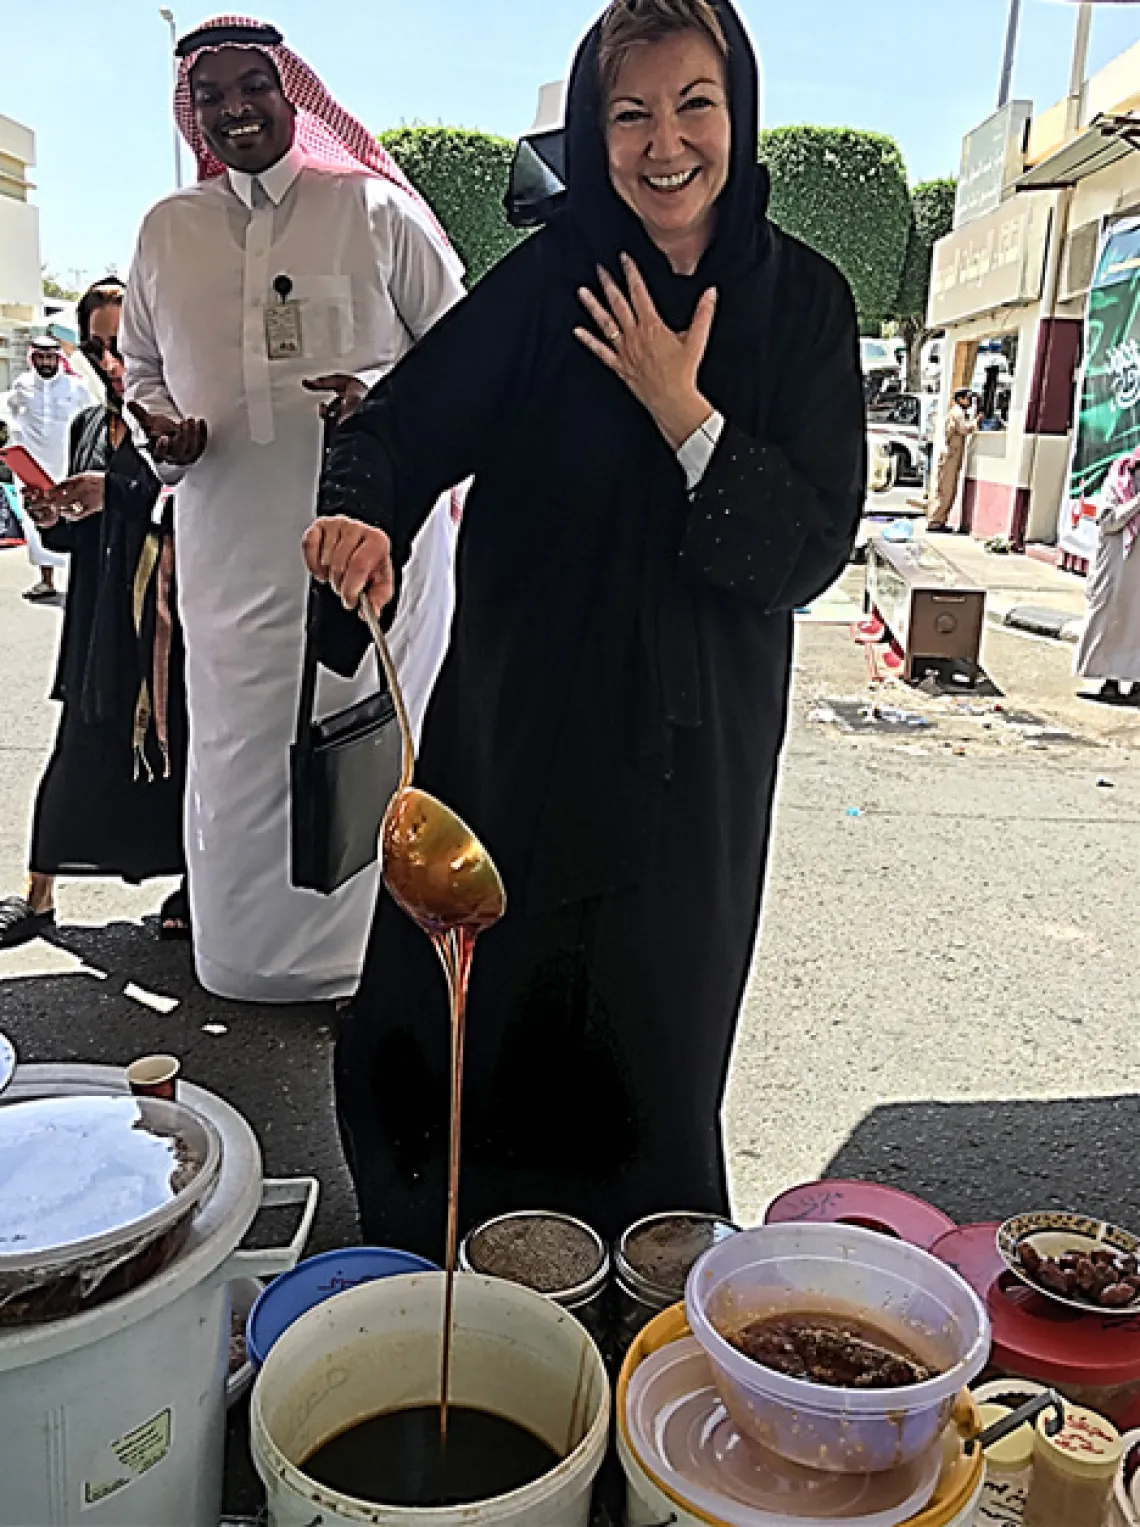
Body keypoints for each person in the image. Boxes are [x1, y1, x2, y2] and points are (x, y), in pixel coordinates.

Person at [305, 0, 865, 1258]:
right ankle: (450, 1266)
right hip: (519, 729)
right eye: (630, 113)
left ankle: (640, 1300)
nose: (664, 143)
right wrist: (363, 518)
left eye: (693, 105)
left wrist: (684, 408)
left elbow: (807, 552)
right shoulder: (554, 282)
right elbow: (401, 427)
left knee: (651, 1035)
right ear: (591, 127)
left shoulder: (802, 304)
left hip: (691, 760)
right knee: (448, 1010)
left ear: (740, 112)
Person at [120, 16, 465, 1003]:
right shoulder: (166, 231)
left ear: (294, 97)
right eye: (212, 95)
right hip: (228, 547)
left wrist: (384, 407)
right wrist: (160, 426)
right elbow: (142, 370)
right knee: (236, 748)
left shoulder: (371, 212)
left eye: (253, 88)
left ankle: (377, 966)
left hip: (371, 549)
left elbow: (460, 363)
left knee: (368, 740)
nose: (234, 110)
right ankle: (239, 959)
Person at [0, 280, 188, 950]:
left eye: (122, 345)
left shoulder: (176, 421)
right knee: (76, 751)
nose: (112, 362)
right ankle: (39, 894)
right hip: (96, 617)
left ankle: (198, 887)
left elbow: (195, 510)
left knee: (185, 756)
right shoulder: (87, 424)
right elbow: (75, 535)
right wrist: (50, 513)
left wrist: (118, 491)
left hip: (169, 624)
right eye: (99, 346)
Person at [7, 335, 91, 599]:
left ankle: (83, 580)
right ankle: (46, 580)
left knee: (78, 517)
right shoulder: (21, 385)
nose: (46, 362)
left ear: (59, 358)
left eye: (50, 357)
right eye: (41, 357)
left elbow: (91, 420)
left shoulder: (76, 387)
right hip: (33, 464)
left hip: (67, 462)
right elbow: (9, 416)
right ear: (33, 358)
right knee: (38, 518)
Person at [1076, 444, 1140, 702]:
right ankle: (1108, 681)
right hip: (1115, 564)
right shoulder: (1117, 480)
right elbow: (1108, 522)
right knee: (1110, 620)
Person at [928, 387, 977, 533]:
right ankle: (935, 522)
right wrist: (976, 422)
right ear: (960, 399)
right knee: (946, 490)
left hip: (953, 455)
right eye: (968, 398)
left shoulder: (959, 412)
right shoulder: (957, 413)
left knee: (949, 490)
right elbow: (963, 429)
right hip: (950, 455)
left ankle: (940, 520)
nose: (970, 402)